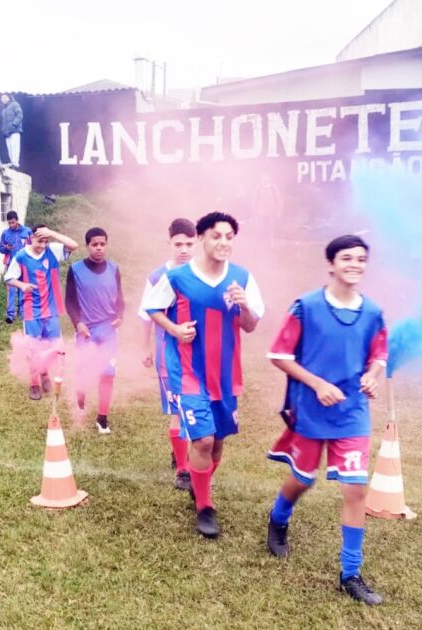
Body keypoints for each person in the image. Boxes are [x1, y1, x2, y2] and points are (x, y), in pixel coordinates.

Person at [265, 234, 389, 606]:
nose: (355, 264)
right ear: (331, 265)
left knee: (356, 490)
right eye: (347, 258)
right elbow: (279, 354)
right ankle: (278, 517)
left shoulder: (373, 313)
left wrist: (372, 377)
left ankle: (350, 573)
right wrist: (317, 383)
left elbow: (379, 356)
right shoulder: (306, 307)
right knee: (303, 479)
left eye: (361, 259)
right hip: (310, 409)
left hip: (352, 414)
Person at [142, 211, 264, 539]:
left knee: (219, 443)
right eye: (216, 236)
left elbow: (251, 326)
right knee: (203, 439)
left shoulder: (243, 278)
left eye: (229, 237)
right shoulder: (179, 277)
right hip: (188, 372)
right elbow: (152, 309)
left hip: (225, 375)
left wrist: (244, 307)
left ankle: (201, 484)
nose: (223, 242)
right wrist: (175, 330)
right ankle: (204, 507)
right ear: (202, 239)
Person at [139, 218, 197, 490]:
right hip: (168, 355)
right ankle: (183, 469)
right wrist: (144, 348)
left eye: (189, 243)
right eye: (178, 244)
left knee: (195, 408)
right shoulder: (157, 277)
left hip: (199, 355)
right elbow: (146, 315)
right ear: (169, 243)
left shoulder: (203, 274)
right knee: (177, 410)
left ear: (197, 242)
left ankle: (184, 455)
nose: (184, 249)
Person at [4, 225, 80, 400]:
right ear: (30, 238)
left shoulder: (52, 250)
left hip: (51, 308)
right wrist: (22, 285)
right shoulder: (21, 256)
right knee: (32, 348)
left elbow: (74, 245)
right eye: (40, 241)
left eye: (46, 241)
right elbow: (8, 277)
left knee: (54, 347)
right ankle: (34, 384)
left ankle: (44, 372)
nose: (43, 245)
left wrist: (52, 233)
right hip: (31, 309)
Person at [65, 227, 124, 434]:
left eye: (102, 244)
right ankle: (80, 399)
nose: (99, 248)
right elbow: (70, 301)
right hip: (85, 330)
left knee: (107, 373)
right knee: (84, 370)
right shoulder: (76, 269)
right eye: (95, 244)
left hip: (108, 330)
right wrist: (78, 323)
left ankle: (102, 418)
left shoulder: (114, 269)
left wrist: (119, 317)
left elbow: (120, 300)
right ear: (87, 246)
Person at [0, 211, 33, 324]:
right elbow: (0, 248)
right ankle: (10, 315)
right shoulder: (5, 233)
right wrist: (6, 248)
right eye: (9, 223)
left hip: (25, 265)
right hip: (11, 266)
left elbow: (33, 246)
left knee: (23, 288)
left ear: (17, 220)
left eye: (13, 222)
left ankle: (22, 314)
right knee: (11, 290)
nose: (11, 225)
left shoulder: (27, 231)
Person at [0, 93, 23, 169]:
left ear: (9, 97)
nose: (3, 99)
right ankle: (12, 164)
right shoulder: (3, 110)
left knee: (15, 147)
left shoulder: (15, 104)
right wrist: (4, 130)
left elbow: (20, 115)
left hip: (15, 130)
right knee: (10, 149)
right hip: (7, 132)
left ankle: (15, 164)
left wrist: (14, 124)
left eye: (5, 97)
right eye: (2, 98)